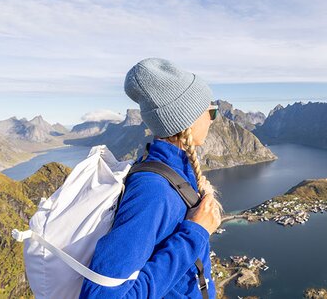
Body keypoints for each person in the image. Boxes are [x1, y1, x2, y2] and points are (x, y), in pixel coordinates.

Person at [79, 57, 223, 298]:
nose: (212, 118)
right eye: (212, 110)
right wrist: (195, 232)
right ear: (188, 118)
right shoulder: (153, 191)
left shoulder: (174, 174)